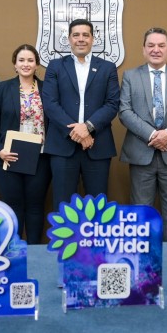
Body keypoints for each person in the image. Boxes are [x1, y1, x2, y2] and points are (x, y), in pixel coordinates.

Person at [119, 27, 167, 242]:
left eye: (161, 45)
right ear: (143, 49)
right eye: (151, 45)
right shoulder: (130, 76)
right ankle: (142, 255)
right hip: (140, 154)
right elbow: (124, 111)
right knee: (141, 213)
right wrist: (154, 135)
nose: (156, 50)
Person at [42, 19, 120, 209]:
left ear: (93, 39)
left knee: (98, 207)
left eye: (86, 35)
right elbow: (50, 104)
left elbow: (112, 104)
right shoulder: (55, 66)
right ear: (69, 39)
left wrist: (88, 127)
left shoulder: (107, 67)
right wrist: (76, 132)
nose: (81, 39)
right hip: (63, 146)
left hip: (97, 146)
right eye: (76, 35)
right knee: (63, 206)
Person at [0, 44, 51, 244]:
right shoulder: (3, 89)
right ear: (15, 64)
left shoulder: (48, 89)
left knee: (35, 206)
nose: (26, 64)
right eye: (21, 60)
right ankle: (14, 249)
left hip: (39, 158)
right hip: (8, 157)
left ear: (37, 64)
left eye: (30, 60)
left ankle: (34, 251)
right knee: (13, 206)